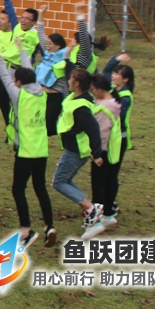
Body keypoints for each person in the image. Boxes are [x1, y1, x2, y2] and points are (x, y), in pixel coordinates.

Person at [0, 38, 55, 249]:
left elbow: (5, 74)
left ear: (18, 81)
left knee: (18, 189)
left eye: (15, 79)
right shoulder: (40, 94)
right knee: (40, 188)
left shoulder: (18, 96)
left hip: (25, 151)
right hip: (42, 150)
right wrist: (22, 51)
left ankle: (26, 231)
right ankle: (49, 226)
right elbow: (28, 70)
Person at [52, 68, 105, 240]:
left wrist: (97, 154)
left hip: (77, 150)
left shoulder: (81, 107)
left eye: (71, 78)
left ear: (76, 83)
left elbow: (94, 129)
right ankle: (92, 211)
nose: (68, 80)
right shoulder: (76, 98)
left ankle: (91, 208)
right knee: (65, 180)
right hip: (75, 147)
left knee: (59, 182)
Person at [88, 73, 123, 238]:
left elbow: (99, 133)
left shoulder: (103, 108)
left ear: (101, 90)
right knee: (110, 180)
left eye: (94, 90)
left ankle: (97, 220)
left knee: (98, 184)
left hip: (102, 149)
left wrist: (95, 153)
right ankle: (108, 214)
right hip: (114, 148)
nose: (92, 92)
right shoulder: (114, 101)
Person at [102, 53, 134, 220]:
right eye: (114, 74)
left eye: (117, 75)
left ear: (126, 80)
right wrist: (116, 58)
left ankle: (110, 206)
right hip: (109, 137)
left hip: (118, 139)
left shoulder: (125, 97)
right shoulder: (114, 88)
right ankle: (106, 204)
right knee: (105, 174)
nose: (113, 76)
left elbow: (117, 116)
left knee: (111, 174)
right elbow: (105, 71)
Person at [33, 4, 69, 136]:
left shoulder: (65, 56)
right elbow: (41, 33)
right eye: (47, 44)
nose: (47, 46)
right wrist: (41, 14)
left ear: (59, 46)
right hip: (42, 94)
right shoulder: (47, 54)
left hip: (56, 95)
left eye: (50, 44)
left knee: (50, 125)